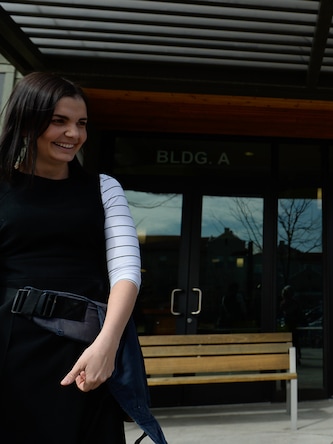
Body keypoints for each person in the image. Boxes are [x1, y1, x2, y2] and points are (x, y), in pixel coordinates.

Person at [0, 72, 164, 443]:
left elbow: (126, 271)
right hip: (10, 349)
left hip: (85, 348)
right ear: (28, 119)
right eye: (59, 121)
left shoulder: (103, 188)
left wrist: (106, 346)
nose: (73, 133)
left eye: (81, 123)